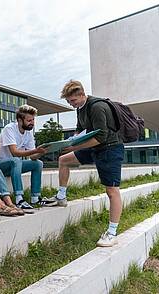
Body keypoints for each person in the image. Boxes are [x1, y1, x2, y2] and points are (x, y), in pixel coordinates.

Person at [49, 80, 124, 247]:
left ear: (82, 94)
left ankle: (112, 233)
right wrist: (71, 141)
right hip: (93, 147)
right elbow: (80, 129)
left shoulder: (97, 107)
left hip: (109, 149)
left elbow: (101, 137)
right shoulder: (80, 108)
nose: (72, 104)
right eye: (69, 102)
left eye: (73, 101)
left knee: (112, 191)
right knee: (63, 160)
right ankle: (61, 196)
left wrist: (73, 146)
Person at [0, 105, 55, 209]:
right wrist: (36, 150)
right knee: (16, 160)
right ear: (19, 120)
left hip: (14, 166)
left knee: (38, 164)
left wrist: (43, 151)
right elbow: (14, 152)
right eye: (29, 120)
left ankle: (35, 198)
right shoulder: (9, 129)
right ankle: (19, 199)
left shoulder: (29, 133)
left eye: (33, 120)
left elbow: (32, 157)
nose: (32, 123)